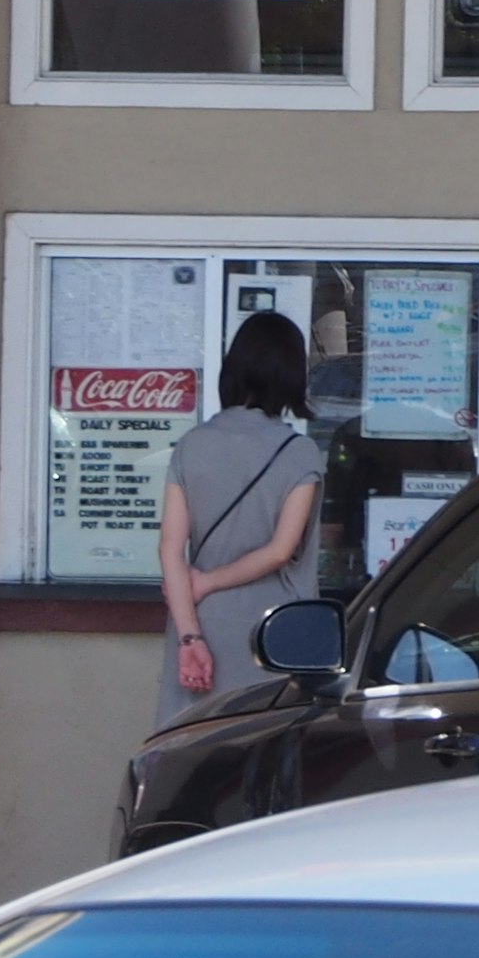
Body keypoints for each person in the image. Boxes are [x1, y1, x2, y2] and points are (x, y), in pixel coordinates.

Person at [158, 312, 324, 729]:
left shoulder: (191, 445)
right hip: (274, 633)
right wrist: (209, 580)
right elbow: (281, 551)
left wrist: (189, 637)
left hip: (198, 623)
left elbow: (169, 547)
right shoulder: (300, 454)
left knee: (188, 757)